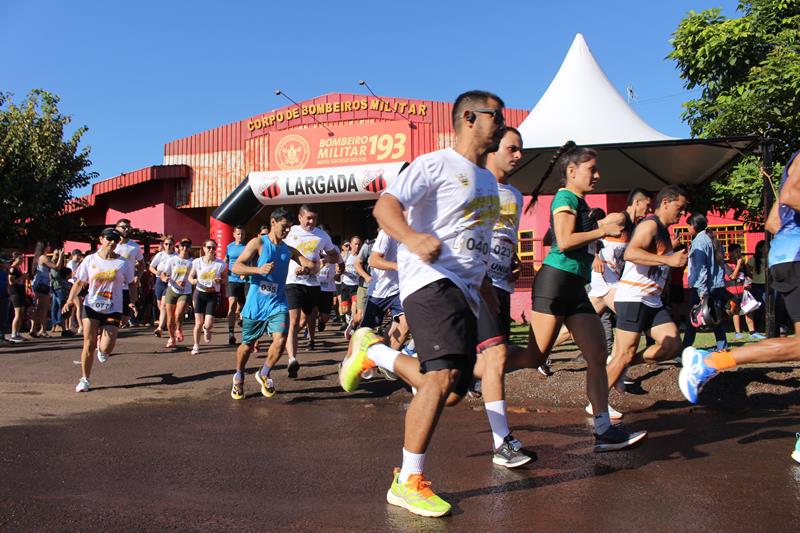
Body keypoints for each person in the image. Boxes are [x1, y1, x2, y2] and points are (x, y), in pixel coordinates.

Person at [339, 90, 508, 517]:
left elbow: (478, 248)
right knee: (441, 376)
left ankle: (373, 350)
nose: (503, 125)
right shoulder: (433, 164)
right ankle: (407, 480)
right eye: (497, 117)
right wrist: (412, 238)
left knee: (448, 390)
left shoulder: (488, 180)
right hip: (429, 280)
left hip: (467, 290)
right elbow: (385, 207)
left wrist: (487, 298)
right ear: (469, 117)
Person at [502, 141, 647, 451]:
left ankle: (604, 429)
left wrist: (602, 227)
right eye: (591, 169)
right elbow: (565, 241)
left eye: (597, 170)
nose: (597, 175)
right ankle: (481, 367)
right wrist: (603, 228)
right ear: (572, 171)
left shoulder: (581, 203)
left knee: (596, 356)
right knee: (533, 357)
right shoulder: (565, 197)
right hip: (554, 282)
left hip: (575, 287)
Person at [680, 148, 800, 464]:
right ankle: (709, 362)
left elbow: (774, 221)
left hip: (787, 259)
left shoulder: (794, 160)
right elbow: (788, 194)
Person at [606, 186, 689, 393]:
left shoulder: (664, 232)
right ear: (666, 203)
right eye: (680, 207)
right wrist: (668, 259)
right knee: (623, 353)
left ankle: (623, 364)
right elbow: (630, 253)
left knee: (671, 345)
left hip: (653, 300)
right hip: (634, 297)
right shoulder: (650, 224)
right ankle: (596, 404)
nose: (682, 213)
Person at [229, 208, 318, 400]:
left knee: (280, 338)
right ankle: (239, 376)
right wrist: (258, 270)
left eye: (289, 228)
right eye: (284, 227)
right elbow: (236, 266)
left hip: (278, 302)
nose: (286, 231)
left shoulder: (289, 250)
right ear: (273, 223)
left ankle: (265, 372)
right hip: (256, 303)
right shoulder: (259, 243)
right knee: (247, 345)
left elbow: (311, 265)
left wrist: (309, 268)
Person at [62, 228, 134, 392]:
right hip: (92, 305)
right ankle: (85, 379)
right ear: (101, 239)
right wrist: (69, 301)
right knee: (89, 343)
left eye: (116, 240)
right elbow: (79, 283)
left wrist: (131, 304)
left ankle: (103, 348)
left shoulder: (123, 263)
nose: (112, 242)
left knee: (106, 347)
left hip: (113, 308)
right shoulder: (89, 260)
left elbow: (131, 285)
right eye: (109, 238)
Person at [283, 204, 339, 378]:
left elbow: (334, 255)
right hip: (292, 281)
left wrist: (325, 259)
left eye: (314, 218)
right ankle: (292, 359)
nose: (311, 221)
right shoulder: (290, 232)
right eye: (308, 218)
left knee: (304, 321)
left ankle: (286, 340)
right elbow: (277, 250)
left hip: (313, 284)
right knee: (293, 322)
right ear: (299, 217)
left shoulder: (322, 235)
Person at [682, 213, 729, 351]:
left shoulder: (699, 241)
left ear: (694, 225)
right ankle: (722, 346)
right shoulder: (713, 238)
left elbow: (701, 268)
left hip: (702, 286)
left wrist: (702, 291)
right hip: (717, 284)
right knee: (715, 317)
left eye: (688, 226)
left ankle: (685, 348)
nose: (687, 229)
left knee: (693, 317)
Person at [188, 239, 228, 355]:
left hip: (212, 294)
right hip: (199, 293)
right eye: (209, 247)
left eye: (213, 248)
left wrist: (220, 280)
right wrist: (194, 281)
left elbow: (226, 279)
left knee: (208, 323)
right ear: (204, 248)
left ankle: (207, 329)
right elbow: (190, 277)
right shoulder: (197, 262)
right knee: (198, 323)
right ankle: (196, 345)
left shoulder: (220, 264)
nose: (211, 250)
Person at [725, 243, 765, 340]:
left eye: (740, 251)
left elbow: (748, 276)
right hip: (732, 292)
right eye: (736, 252)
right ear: (729, 253)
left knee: (749, 310)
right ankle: (738, 332)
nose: (739, 254)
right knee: (736, 312)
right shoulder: (726, 264)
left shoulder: (742, 264)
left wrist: (745, 267)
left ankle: (752, 332)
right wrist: (738, 265)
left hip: (744, 291)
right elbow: (733, 276)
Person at [163, 238, 193, 348]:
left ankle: (179, 329)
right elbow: (164, 274)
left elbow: (195, 276)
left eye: (187, 246)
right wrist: (169, 279)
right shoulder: (172, 260)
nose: (185, 248)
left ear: (190, 248)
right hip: (172, 289)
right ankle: (171, 338)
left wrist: (192, 280)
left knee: (178, 314)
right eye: (183, 246)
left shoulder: (192, 262)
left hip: (185, 291)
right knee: (170, 318)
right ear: (179, 247)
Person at [114, 219, 144, 326]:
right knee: (111, 317)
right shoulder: (112, 244)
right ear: (116, 228)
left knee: (124, 319)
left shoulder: (134, 247)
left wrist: (138, 276)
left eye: (128, 227)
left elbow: (142, 264)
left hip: (127, 286)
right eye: (124, 227)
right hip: (111, 286)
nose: (126, 229)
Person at [29, 242, 59, 338]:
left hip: (38, 284)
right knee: (44, 309)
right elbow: (56, 267)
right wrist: (61, 256)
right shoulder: (43, 257)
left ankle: (33, 329)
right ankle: (43, 330)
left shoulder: (38, 257)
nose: (50, 247)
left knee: (38, 308)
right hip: (43, 285)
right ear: (44, 247)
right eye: (48, 245)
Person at [148, 236, 175, 337]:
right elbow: (151, 267)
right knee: (160, 306)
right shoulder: (160, 255)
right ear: (163, 245)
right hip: (159, 281)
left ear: (173, 245)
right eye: (166, 244)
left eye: (170, 244)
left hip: (170, 281)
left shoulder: (176, 256)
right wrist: (156, 272)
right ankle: (169, 323)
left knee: (164, 305)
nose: (168, 246)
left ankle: (159, 328)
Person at [225, 226, 247, 344]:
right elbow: (225, 261)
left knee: (244, 307)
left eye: (242, 234)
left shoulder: (248, 246)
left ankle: (245, 333)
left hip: (245, 280)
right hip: (232, 279)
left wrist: (246, 272)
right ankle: (231, 333)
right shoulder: (229, 247)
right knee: (232, 304)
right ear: (234, 234)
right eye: (238, 234)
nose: (240, 236)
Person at [339, 235, 362, 339]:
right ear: (351, 244)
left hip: (356, 285)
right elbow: (338, 266)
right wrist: (339, 271)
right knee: (344, 310)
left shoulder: (361, 256)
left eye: (358, 244)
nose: (357, 246)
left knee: (355, 303)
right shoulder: (345, 255)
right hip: (345, 284)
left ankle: (353, 321)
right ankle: (348, 318)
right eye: (355, 244)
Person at [746, 240, 768, 331]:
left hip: (767, 285)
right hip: (757, 285)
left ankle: (767, 326)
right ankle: (759, 327)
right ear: (759, 249)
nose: (767, 249)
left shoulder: (769, 258)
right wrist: (752, 277)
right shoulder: (753, 259)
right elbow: (747, 270)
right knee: (760, 306)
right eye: (765, 247)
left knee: (767, 306)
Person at [8, 252, 27, 342]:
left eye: (22, 258)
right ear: (15, 259)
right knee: (17, 314)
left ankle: (17, 333)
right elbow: (11, 282)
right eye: (20, 258)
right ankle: (13, 334)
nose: (22, 260)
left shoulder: (18, 268)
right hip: (15, 293)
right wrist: (22, 277)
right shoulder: (12, 269)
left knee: (21, 314)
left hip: (20, 292)